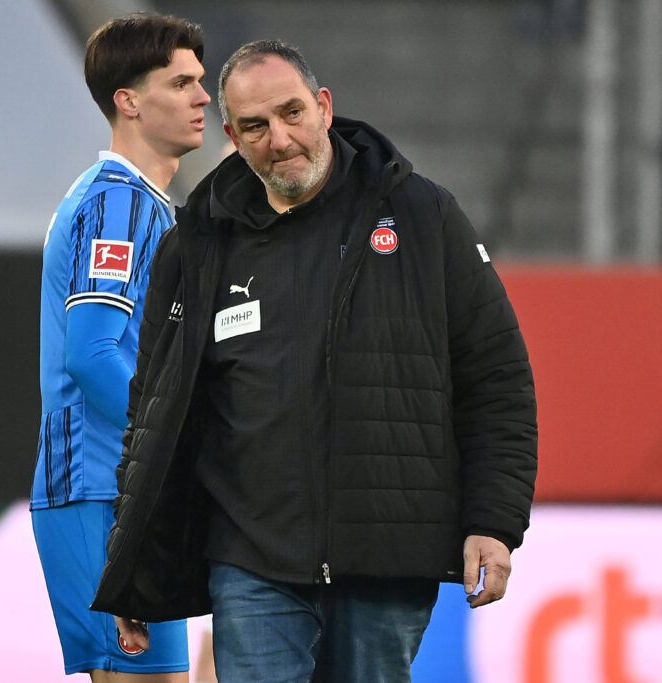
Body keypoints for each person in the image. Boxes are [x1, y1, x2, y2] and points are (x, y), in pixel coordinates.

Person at [92, 40, 538, 682]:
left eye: (292, 113)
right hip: (250, 557)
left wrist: (493, 523)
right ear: (231, 136)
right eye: (255, 126)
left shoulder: (421, 215)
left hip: (387, 552)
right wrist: (130, 564)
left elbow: (495, 378)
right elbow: (154, 410)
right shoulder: (197, 243)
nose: (279, 138)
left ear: (324, 107)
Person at [29, 13, 210, 681]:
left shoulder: (150, 207)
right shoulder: (117, 205)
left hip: (127, 491)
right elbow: (92, 354)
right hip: (102, 490)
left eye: (200, 81)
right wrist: (183, 441)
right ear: (129, 102)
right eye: (182, 82)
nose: (203, 97)